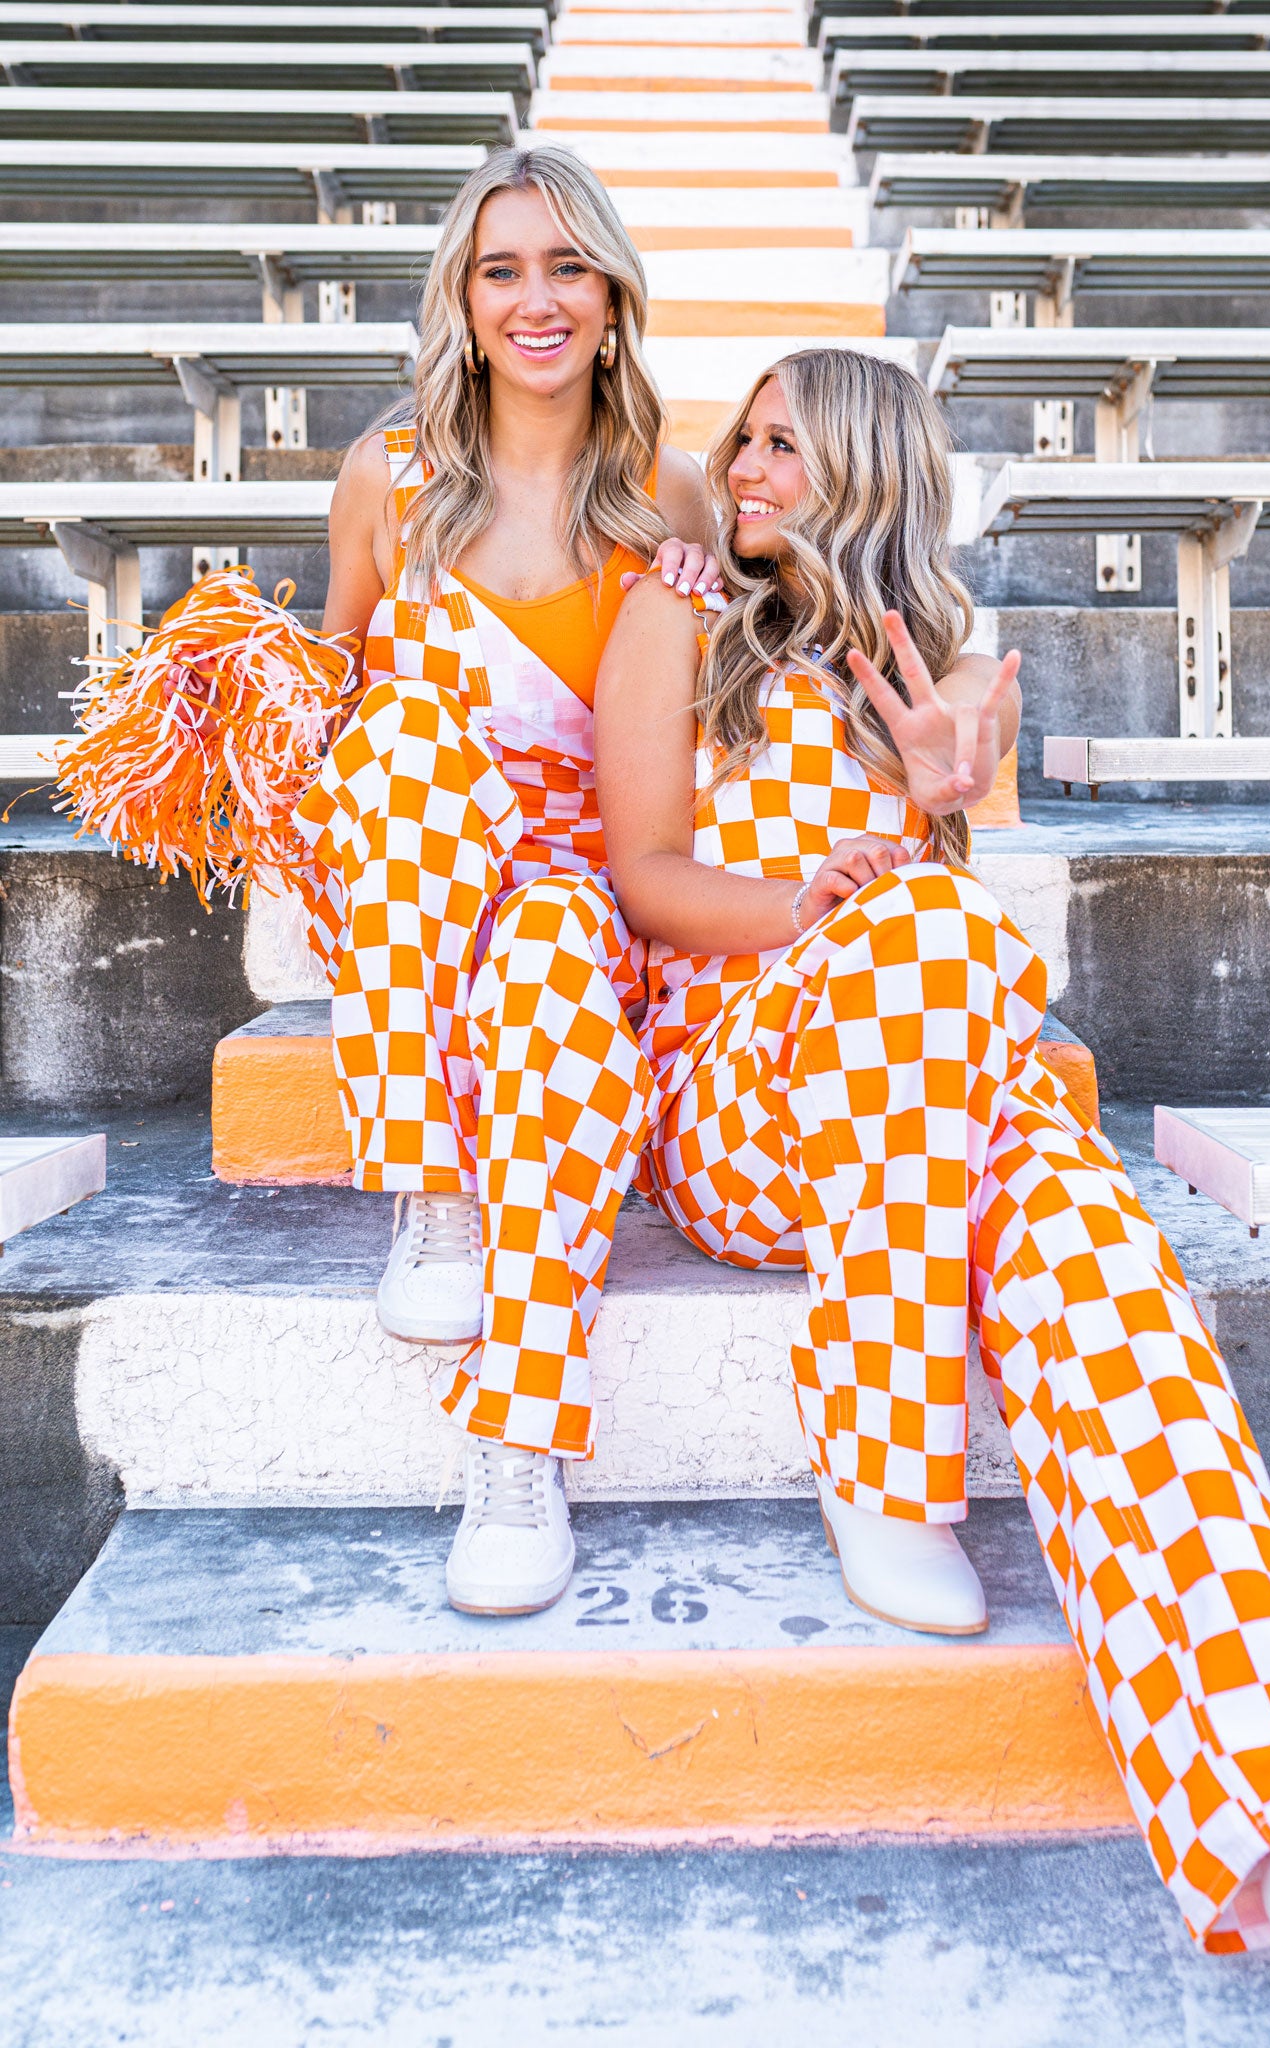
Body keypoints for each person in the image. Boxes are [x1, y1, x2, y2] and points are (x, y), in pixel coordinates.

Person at [592, 348, 1270, 2019]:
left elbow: (949, 879)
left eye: (785, 446)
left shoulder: (946, 659)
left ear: (867, 468)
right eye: (742, 442)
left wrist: (939, 801)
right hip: (736, 1087)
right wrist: (817, 902)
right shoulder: (679, 617)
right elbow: (648, 880)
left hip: (928, 1093)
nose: (743, 471)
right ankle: (884, 1467)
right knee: (926, 933)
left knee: (1106, 1271)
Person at [292, 143, 719, 1619]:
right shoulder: (387, 476)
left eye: (567, 266)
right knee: (408, 732)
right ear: (463, 304)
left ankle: (518, 1449)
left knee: (548, 970)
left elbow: (716, 728)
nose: (538, 299)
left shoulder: (670, 493)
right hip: (412, 881)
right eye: (502, 270)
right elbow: (333, 701)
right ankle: (428, 1187)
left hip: (577, 893)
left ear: (611, 296)